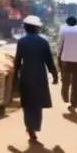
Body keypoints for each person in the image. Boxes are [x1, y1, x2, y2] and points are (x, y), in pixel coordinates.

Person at [13, 14, 58, 143]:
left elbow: (17, 61)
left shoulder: (21, 42)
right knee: (37, 103)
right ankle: (36, 126)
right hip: (39, 75)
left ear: (26, 28)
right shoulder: (43, 42)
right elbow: (49, 60)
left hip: (26, 74)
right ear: (37, 28)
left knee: (27, 103)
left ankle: (29, 128)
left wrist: (15, 77)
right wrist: (54, 75)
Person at [56, 15, 77, 111]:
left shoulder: (63, 30)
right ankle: (75, 103)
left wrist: (58, 55)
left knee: (65, 79)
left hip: (66, 58)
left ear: (67, 23)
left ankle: (65, 95)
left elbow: (60, 43)